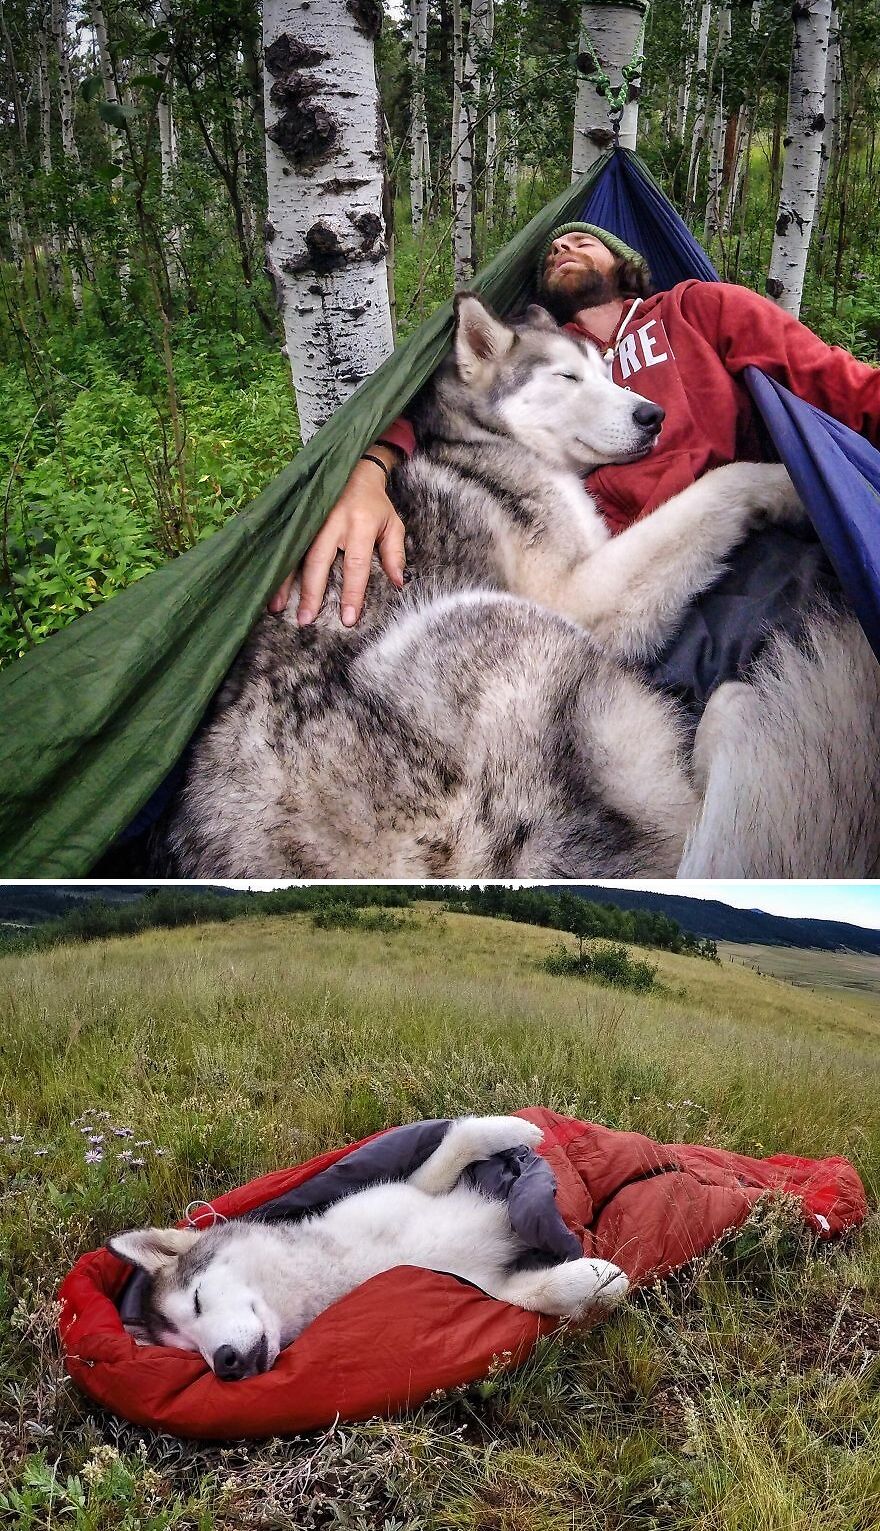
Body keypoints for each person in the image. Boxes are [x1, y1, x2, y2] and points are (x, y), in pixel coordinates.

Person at [269, 222, 880, 627]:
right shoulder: (544, 352)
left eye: (585, 241)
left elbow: (837, 384)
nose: (565, 249)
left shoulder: (700, 309)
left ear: (625, 264)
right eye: (554, 248)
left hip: (731, 561)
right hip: (592, 577)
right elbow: (443, 402)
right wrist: (370, 466)